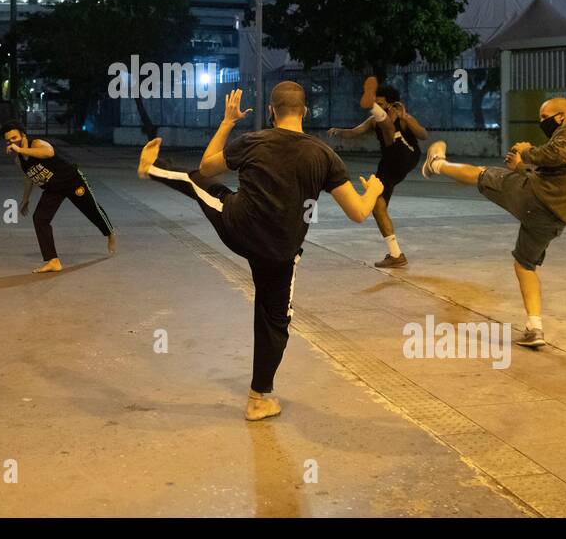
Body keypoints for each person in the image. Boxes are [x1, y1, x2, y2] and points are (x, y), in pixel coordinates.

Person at [137, 83, 385, 421]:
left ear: (271, 112)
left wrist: (227, 121)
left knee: (201, 184)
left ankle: (152, 168)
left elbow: (207, 166)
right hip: (280, 250)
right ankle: (258, 398)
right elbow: (358, 213)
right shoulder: (325, 156)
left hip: (239, 228)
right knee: (274, 320)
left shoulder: (253, 141)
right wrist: (374, 190)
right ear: (306, 111)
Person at [420, 97, 566, 348]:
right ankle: (534, 328)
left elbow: (557, 154)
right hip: (556, 217)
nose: (541, 122)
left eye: (544, 117)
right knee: (524, 264)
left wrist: (527, 151)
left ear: (561, 116)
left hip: (536, 200)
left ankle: (437, 164)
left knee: (482, 174)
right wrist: (521, 167)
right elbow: (557, 175)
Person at [328, 78, 428, 268]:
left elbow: (423, 135)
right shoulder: (374, 121)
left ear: (392, 105)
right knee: (378, 207)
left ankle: (396, 255)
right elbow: (355, 132)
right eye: (375, 105)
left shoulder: (403, 118)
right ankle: (396, 254)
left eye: (379, 105)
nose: (378, 108)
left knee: (389, 127)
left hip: (407, 154)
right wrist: (338, 131)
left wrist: (406, 119)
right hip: (389, 163)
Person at [4, 119, 115, 273]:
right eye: (8, 140)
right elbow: (29, 177)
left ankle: (109, 233)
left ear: (23, 135)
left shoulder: (36, 143)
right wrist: (25, 199)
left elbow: (49, 152)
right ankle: (53, 261)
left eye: (14, 138)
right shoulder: (19, 160)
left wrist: (21, 150)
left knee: (91, 210)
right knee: (39, 218)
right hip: (52, 189)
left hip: (72, 181)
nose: (11, 142)